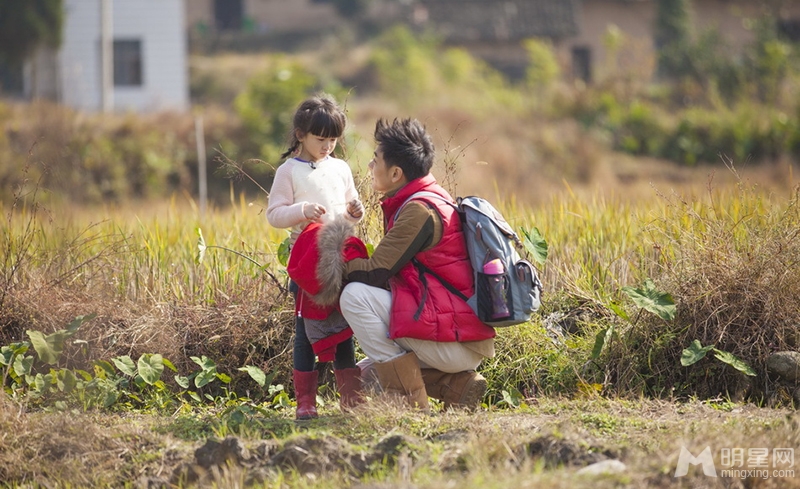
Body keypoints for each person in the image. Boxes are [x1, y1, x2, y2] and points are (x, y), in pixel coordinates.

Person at [338, 118, 494, 413]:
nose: (371, 167)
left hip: (455, 339)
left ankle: (410, 406)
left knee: (354, 295)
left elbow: (375, 272)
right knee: (364, 376)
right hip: (460, 333)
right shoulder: (430, 197)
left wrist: (324, 270)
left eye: (375, 161)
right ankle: (456, 386)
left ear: (396, 173)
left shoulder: (418, 210)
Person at [266, 93, 365, 420]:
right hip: (307, 263)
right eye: (320, 139)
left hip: (339, 259)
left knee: (344, 330)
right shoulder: (288, 172)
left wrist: (355, 212)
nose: (327, 146)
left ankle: (351, 401)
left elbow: (350, 209)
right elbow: (275, 215)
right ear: (300, 135)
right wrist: (302, 210)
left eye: (333, 140)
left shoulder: (340, 168)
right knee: (306, 332)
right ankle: (305, 403)